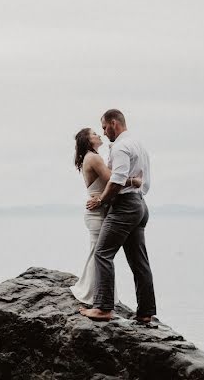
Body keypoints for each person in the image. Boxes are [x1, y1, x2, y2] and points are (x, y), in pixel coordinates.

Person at [79, 109, 156, 324]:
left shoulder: (121, 146)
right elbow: (140, 180)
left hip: (125, 206)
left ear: (114, 123)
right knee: (139, 262)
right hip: (140, 204)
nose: (103, 132)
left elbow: (116, 181)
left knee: (102, 253)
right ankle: (145, 313)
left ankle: (103, 308)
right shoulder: (137, 144)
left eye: (104, 127)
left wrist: (101, 201)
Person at [69, 127, 142, 305]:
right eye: (94, 134)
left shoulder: (92, 157)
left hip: (99, 209)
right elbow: (113, 179)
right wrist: (134, 181)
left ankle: (95, 293)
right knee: (100, 253)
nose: (99, 134)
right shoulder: (93, 157)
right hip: (97, 212)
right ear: (87, 140)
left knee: (98, 252)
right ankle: (93, 296)